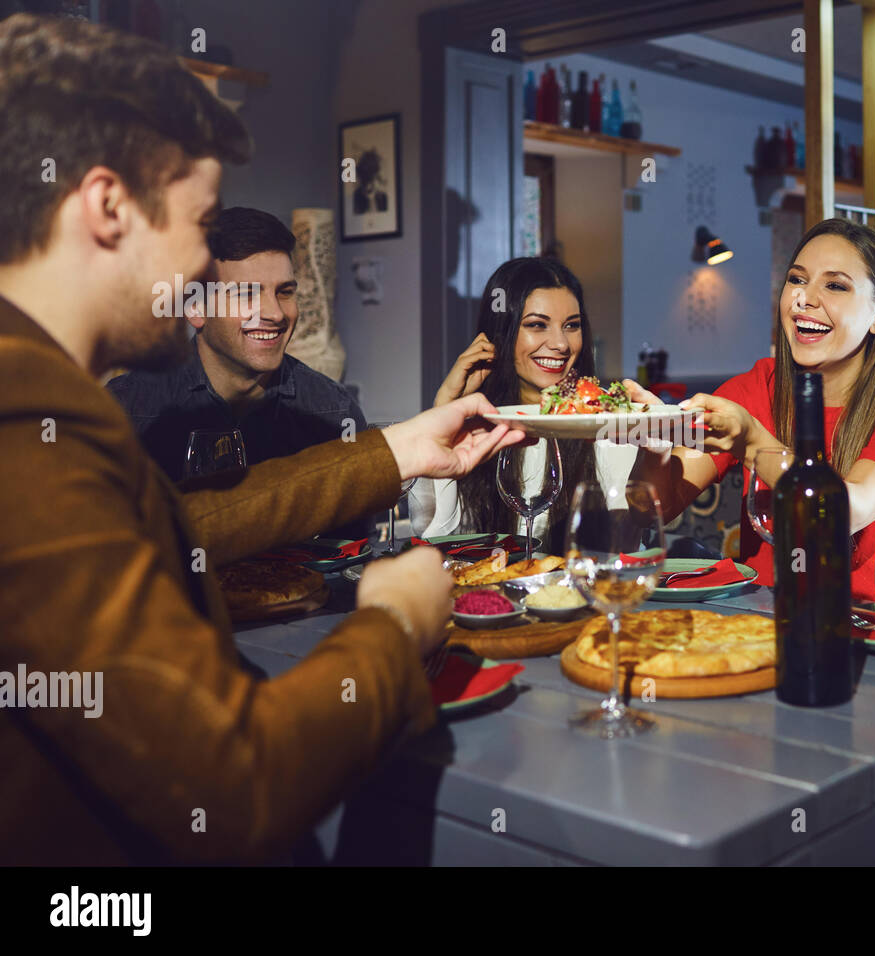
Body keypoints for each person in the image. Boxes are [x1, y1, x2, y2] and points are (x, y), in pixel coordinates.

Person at [0, 13, 522, 864]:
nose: (211, 270)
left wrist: (395, 449)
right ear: (106, 206)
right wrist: (392, 627)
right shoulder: (25, 421)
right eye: (202, 225)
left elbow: (190, 527)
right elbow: (230, 785)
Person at [628, 218, 875, 601]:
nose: (804, 299)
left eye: (835, 285)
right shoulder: (760, 386)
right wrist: (655, 445)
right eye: (797, 279)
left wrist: (753, 444)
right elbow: (651, 510)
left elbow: (842, 511)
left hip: (869, 636)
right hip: (758, 623)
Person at [107, 206, 367, 485]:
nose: (276, 313)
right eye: (247, 294)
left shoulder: (334, 415)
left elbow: (357, 529)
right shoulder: (127, 411)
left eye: (285, 292)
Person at [410, 257, 637, 550]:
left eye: (572, 325)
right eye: (537, 325)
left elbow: (629, 546)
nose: (561, 344)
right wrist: (445, 409)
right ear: (501, 332)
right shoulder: (478, 429)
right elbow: (438, 546)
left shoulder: (609, 426)